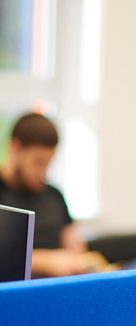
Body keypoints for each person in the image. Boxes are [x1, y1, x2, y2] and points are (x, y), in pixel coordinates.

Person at [0, 112, 99, 277]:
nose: (43, 172)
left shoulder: (54, 196)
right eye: (38, 162)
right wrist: (47, 262)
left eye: (48, 163)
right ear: (15, 148)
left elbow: (78, 252)